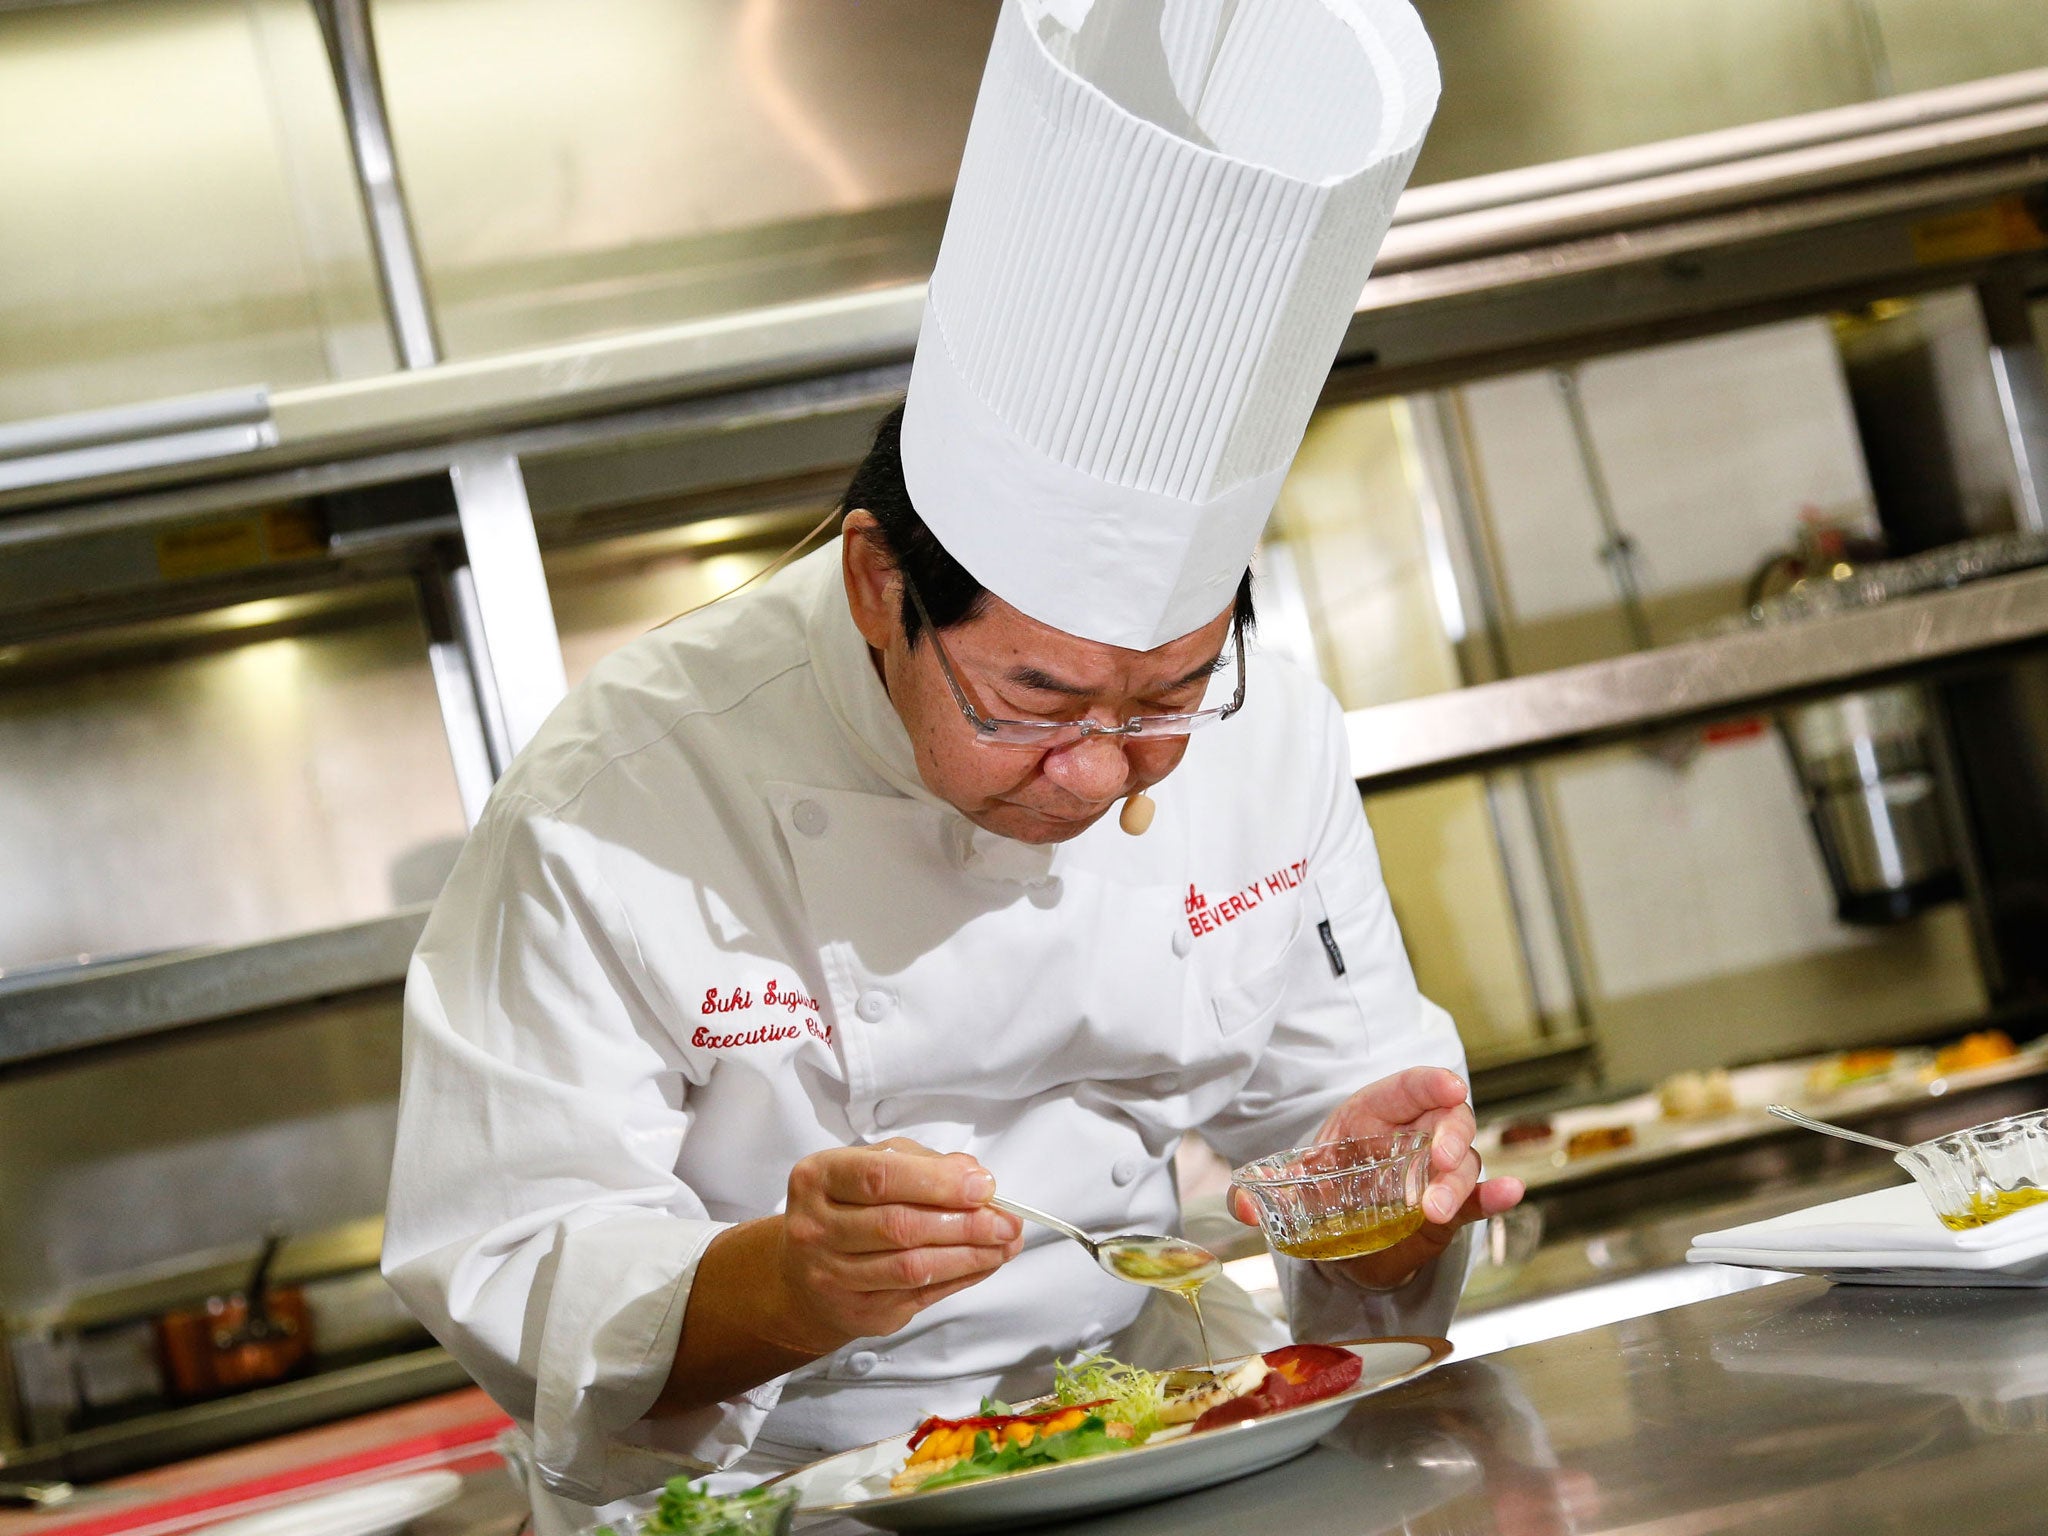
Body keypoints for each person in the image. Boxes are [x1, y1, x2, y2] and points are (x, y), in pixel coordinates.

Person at [383, 2, 1521, 1530]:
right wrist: (786, 1286)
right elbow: (512, 1260)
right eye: (1030, 702)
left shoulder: (1275, 726)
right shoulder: (625, 797)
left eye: (1166, 696)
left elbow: (1349, 1167)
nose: (1097, 777)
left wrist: (1392, 1213)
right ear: (876, 588)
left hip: (1173, 1442)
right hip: (773, 1501)